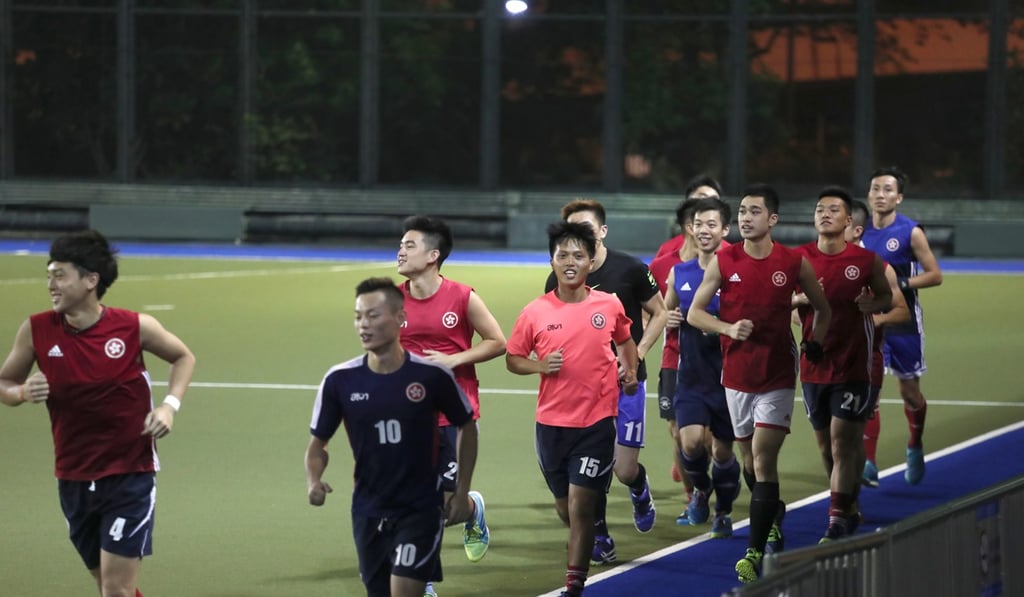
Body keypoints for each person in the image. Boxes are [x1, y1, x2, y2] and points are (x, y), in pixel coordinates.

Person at [0, 229, 196, 597]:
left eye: (60, 275)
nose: (50, 285)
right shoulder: (36, 330)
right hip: (72, 476)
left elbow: (183, 356)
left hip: (129, 474)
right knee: (107, 584)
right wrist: (22, 392)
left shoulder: (134, 326)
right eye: (48, 275)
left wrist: (169, 407)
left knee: (115, 589)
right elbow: (4, 383)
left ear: (91, 280)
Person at [686, 184, 831, 584]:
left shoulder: (794, 261)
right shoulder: (724, 260)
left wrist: (814, 342)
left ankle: (753, 553)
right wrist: (727, 328)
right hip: (736, 376)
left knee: (764, 460)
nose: (746, 218)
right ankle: (772, 513)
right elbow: (696, 313)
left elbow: (822, 308)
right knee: (749, 461)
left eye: (755, 212)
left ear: (773, 219)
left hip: (777, 375)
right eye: (743, 212)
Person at [305, 277, 479, 597]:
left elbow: (467, 426)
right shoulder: (340, 380)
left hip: (420, 508)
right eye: (358, 316)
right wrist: (313, 480)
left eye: (373, 315)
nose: (363, 324)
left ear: (400, 318)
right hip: (368, 508)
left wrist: (462, 489)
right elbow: (319, 443)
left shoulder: (431, 376)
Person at [507, 221, 639, 597]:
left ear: (590, 262)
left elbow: (625, 340)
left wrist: (629, 371)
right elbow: (514, 358)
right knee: (566, 509)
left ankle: (574, 585)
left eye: (578, 255)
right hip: (551, 425)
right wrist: (539, 365)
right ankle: (591, 537)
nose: (569, 262)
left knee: (581, 507)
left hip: (597, 422)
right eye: (562, 255)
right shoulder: (534, 312)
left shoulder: (608, 304)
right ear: (551, 261)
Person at [544, 199, 668, 565]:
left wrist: (638, 354)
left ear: (603, 231)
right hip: (584, 391)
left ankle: (638, 486)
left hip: (627, 384)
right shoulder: (558, 278)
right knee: (590, 469)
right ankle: (599, 536)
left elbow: (660, 312)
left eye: (585, 228)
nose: (578, 237)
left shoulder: (631, 269)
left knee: (623, 469)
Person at [396, 215, 506, 595]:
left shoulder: (462, 297)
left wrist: (453, 360)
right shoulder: (393, 300)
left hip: (455, 416)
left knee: (445, 507)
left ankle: (472, 508)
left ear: (433, 255)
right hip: (410, 418)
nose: (400, 251)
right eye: (401, 245)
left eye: (410, 245)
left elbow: (498, 342)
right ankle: (424, 582)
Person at [792, 187, 892, 543]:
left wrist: (872, 304)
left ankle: (835, 519)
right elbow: (780, 301)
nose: (825, 214)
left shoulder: (866, 261)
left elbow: (886, 296)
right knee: (826, 448)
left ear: (849, 220)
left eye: (834, 209)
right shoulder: (799, 259)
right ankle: (848, 503)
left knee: (841, 443)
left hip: (852, 365)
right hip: (814, 364)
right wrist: (800, 299)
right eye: (820, 209)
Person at [663, 197, 741, 538]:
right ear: (690, 229)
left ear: (725, 230)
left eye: (712, 224)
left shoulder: (736, 272)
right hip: (692, 376)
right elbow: (665, 312)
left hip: (728, 377)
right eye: (699, 224)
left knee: (722, 452)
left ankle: (723, 511)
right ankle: (700, 490)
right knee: (690, 442)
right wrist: (669, 318)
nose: (704, 230)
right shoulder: (679, 272)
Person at [861, 166, 943, 485]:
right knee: (870, 394)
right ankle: (869, 463)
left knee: (910, 393)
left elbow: (935, 275)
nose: (880, 195)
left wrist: (900, 283)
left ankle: (914, 444)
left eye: (887, 190)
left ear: (899, 198)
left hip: (903, 320)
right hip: (870, 324)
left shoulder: (910, 232)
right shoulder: (858, 231)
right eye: (875, 188)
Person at [648, 175, 726, 508]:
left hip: (722, 361)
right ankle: (694, 496)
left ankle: (714, 488)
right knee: (681, 433)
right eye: (696, 206)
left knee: (712, 440)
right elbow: (653, 309)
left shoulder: (732, 258)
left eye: (710, 206)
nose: (702, 220)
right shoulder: (666, 261)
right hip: (676, 358)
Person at [845, 200, 911, 488]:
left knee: (862, 413)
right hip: (825, 358)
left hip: (866, 355)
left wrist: (876, 320)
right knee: (830, 429)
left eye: (839, 218)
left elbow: (902, 311)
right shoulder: (813, 263)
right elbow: (794, 308)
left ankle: (866, 465)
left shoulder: (876, 267)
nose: (826, 222)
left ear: (856, 229)